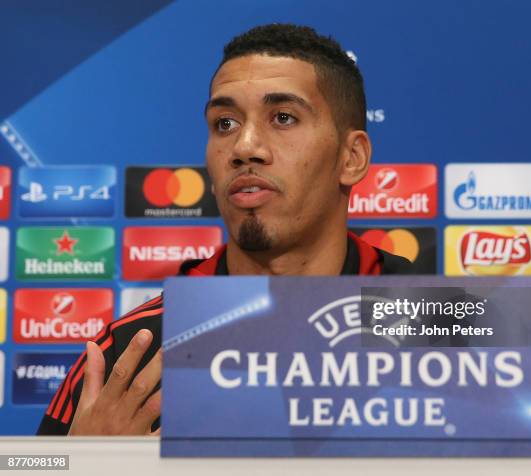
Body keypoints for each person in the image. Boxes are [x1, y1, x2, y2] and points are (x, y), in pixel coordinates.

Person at [37, 23, 414, 436]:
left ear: (352, 157)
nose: (244, 147)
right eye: (225, 124)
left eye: (283, 118)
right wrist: (84, 466)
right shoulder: (127, 355)